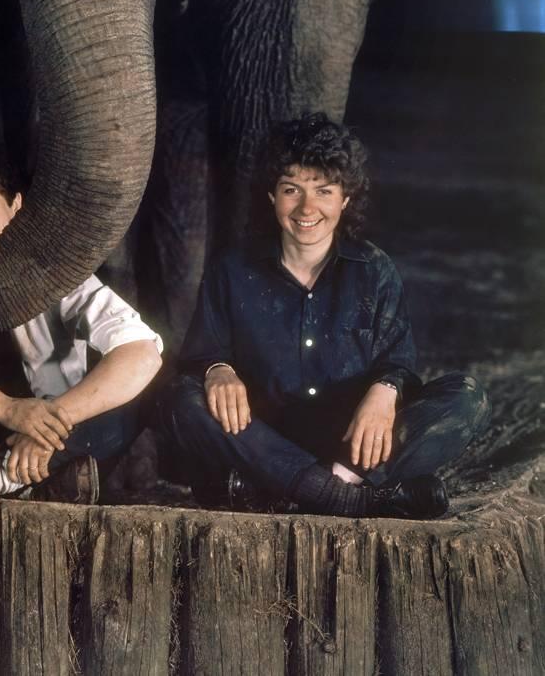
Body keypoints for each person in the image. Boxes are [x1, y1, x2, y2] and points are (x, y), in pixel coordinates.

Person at [165, 113, 489, 518]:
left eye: (324, 191)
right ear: (271, 196)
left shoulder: (375, 270)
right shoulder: (231, 269)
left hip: (352, 445)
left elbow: (400, 364)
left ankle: (298, 490)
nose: (307, 207)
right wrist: (218, 369)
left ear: (345, 199)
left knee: (466, 397)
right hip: (264, 442)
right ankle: (350, 498)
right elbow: (199, 355)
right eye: (291, 189)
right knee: (183, 399)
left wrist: (385, 390)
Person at [0, 137, 163, 504]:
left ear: (16, 205)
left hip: (61, 430)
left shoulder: (54, 271)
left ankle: (7, 479)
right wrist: (12, 412)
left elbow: (142, 351)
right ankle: (42, 480)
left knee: (140, 395)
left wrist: (47, 423)